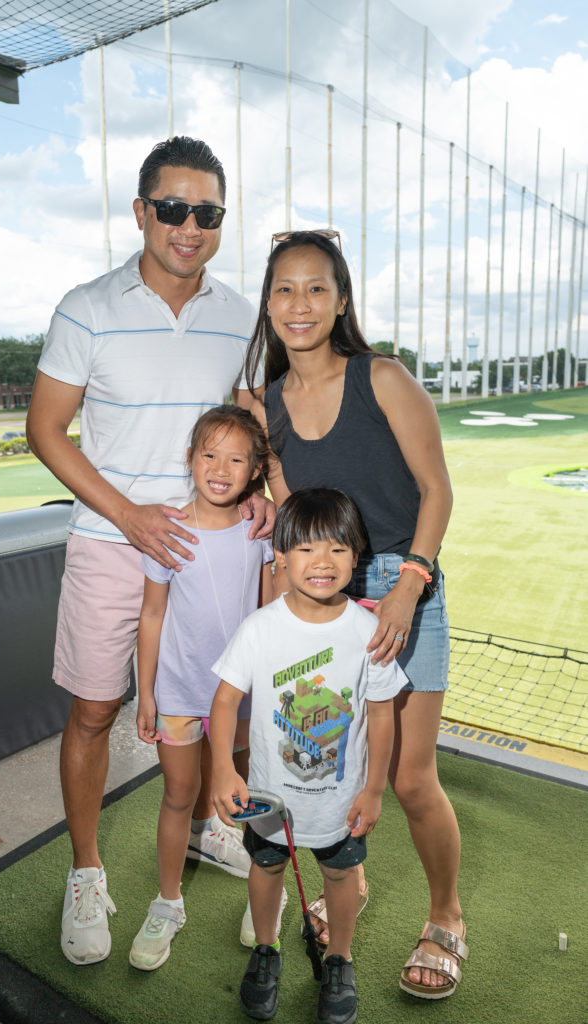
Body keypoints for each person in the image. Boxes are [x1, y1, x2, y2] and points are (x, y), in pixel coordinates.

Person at [25, 136, 273, 967]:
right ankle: (87, 872)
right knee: (95, 710)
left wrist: (266, 485)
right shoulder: (86, 306)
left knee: (224, 709)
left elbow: (251, 422)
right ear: (142, 212)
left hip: (211, 551)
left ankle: (210, 826)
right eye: (173, 208)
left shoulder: (242, 314)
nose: (189, 226)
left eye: (207, 213)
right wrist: (129, 515)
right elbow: (43, 430)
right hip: (109, 539)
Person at [242, 230, 468, 1000]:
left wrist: (409, 583)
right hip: (320, 593)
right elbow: (283, 510)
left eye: (316, 288)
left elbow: (436, 490)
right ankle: (352, 880)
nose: (299, 304)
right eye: (284, 289)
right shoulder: (265, 403)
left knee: (407, 776)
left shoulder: (384, 378)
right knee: (343, 761)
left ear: (340, 301)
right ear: (268, 304)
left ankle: (447, 916)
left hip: (406, 581)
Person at [210, 488, 405, 1024]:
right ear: (281, 556)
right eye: (307, 549)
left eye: (338, 549)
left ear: (356, 557)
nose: (322, 562)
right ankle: (266, 950)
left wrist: (374, 788)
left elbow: (382, 715)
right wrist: (224, 767)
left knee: (341, 878)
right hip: (268, 799)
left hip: (341, 801)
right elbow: (225, 700)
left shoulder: (371, 634)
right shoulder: (259, 629)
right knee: (266, 866)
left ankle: (339, 957)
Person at [129, 405, 275, 971]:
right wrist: (145, 694)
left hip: (241, 699)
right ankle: (168, 902)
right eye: (209, 454)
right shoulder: (166, 532)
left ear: (255, 469)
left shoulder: (259, 530)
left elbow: (268, 609)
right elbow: (151, 617)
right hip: (180, 696)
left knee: (252, 796)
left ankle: (266, 898)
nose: (220, 467)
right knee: (179, 794)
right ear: (189, 460)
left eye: (237, 458)